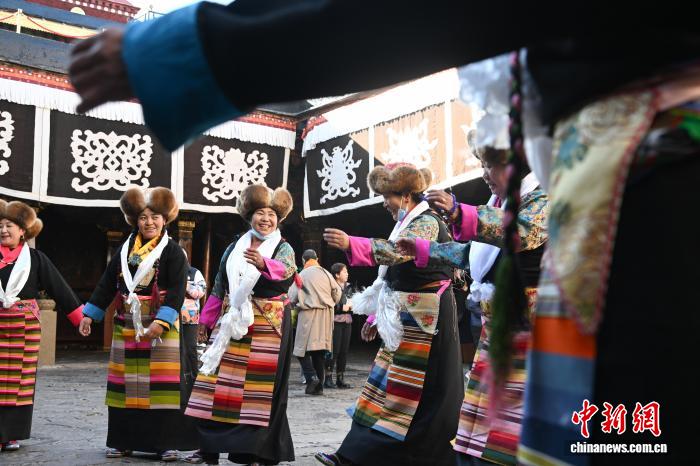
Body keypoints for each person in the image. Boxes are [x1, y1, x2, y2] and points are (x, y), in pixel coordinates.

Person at [68, 4, 700, 463]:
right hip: (574, 258)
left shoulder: (511, 199)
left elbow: (474, 243)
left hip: (618, 228)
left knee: (604, 418)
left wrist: (195, 50)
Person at [398, 123, 548, 465]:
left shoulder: (544, 198)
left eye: (490, 164)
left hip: (533, 331)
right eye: (481, 164)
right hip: (500, 328)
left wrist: (459, 212)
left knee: (514, 427)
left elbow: (523, 231)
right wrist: (425, 249)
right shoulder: (500, 202)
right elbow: (471, 254)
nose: (484, 174)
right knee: (484, 426)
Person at [319, 163, 462, 466]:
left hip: (428, 317)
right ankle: (354, 454)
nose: (384, 203)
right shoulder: (407, 222)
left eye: (388, 196)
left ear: (406, 195)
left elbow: (399, 252)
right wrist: (376, 317)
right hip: (406, 316)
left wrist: (352, 243)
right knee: (384, 388)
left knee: (415, 393)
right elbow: (392, 278)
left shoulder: (426, 221)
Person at [79, 187, 196, 461]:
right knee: (124, 385)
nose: (149, 222)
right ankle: (122, 442)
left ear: (165, 219)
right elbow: (107, 284)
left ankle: (166, 443)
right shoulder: (125, 250)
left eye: (155, 216)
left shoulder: (173, 252)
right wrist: (89, 314)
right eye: (143, 217)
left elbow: (177, 290)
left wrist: (163, 321)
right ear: (135, 220)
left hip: (160, 326)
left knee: (162, 386)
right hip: (127, 323)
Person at [184, 184, 296, 466]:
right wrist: (206, 320)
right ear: (249, 215)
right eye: (260, 213)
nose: (266, 219)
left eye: (272, 214)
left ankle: (253, 451)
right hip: (231, 322)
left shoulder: (283, 247)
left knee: (258, 391)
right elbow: (219, 284)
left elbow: (288, 272)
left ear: (279, 219)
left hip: (268, 325)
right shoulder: (235, 247)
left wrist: (265, 264)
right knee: (214, 383)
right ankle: (208, 448)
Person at [0, 200, 84, 452]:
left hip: (23, 327)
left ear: (22, 230)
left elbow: (59, 287)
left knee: (19, 380)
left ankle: (11, 434)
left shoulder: (35, 259)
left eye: (9, 225)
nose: (3, 230)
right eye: (0, 225)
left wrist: (81, 318)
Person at [289, 249, 341, 395]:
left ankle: (312, 378)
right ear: (317, 259)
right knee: (318, 352)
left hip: (308, 314)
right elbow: (337, 294)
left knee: (300, 350)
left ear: (303, 260)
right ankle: (319, 388)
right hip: (325, 316)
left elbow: (291, 296)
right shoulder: (327, 273)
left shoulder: (302, 274)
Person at [180, 250, 207, 403]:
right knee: (178, 349)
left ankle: (193, 380)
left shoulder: (194, 272)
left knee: (190, 348)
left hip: (190, 318)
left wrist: (185, 286)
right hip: (172, 318)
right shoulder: (170, 271)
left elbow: (200, 292)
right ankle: (180, 381)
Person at [325, 262, 353, 389]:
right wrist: (342, 307)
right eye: (344, 272)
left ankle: (340, 378)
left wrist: (353, 306)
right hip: (335, 322)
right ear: (337, 274)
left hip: (347, 322)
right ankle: (328, 378)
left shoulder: (350, 287)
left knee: (344, 351)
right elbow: (328, 304)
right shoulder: (330, 286)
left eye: (347, 271)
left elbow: (354, 302)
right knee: (333, 350)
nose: (347, 274)